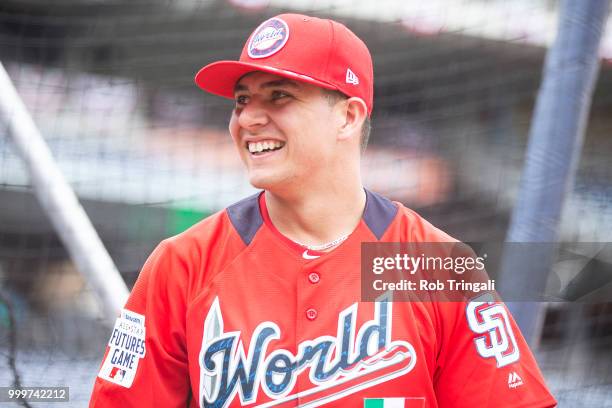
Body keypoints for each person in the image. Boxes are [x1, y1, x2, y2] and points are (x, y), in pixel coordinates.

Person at [89, 13, 557, 407]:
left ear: (348, 117)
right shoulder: (183, 264)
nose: (248, 117)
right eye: (242, 100)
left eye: (279, 96)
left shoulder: (431, 265)